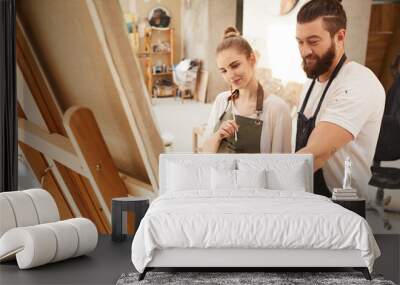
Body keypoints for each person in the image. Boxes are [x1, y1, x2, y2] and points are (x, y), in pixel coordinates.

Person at [294, 0, 385, 198]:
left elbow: (315, 155)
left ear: (340, 37)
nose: (305, 51)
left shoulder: (359, 82)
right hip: (309, 203)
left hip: (343, 212)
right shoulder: (310, 84)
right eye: (300, 42)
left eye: (313, 41)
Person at [202, 27, 292, 154]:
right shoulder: (222, 100)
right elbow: (205, 152)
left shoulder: (277, 109)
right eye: (224, 71)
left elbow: (281, 166)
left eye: (235, 65)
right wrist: (218, 135)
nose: (230, 75)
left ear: (252, 59)